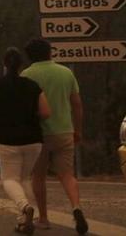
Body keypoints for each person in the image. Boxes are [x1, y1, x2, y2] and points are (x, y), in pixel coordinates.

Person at [21, 38, 88, 234]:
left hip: (39, 134)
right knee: (67, 174)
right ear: (50, 52)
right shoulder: (66, 73)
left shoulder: (27, 75)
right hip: (64, 130)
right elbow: (77, 104)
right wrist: (78, 129)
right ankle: (76, 207)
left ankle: (43, 218)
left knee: (38, 176)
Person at [0, 47, 51, 234]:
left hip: (7, 137)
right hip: (33, 138)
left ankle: (24, 207)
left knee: (9, 179)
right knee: (24, 178)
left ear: (4, 64)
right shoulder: (32, 86)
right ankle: (24, 221)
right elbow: (45, 112)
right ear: (21, 65)